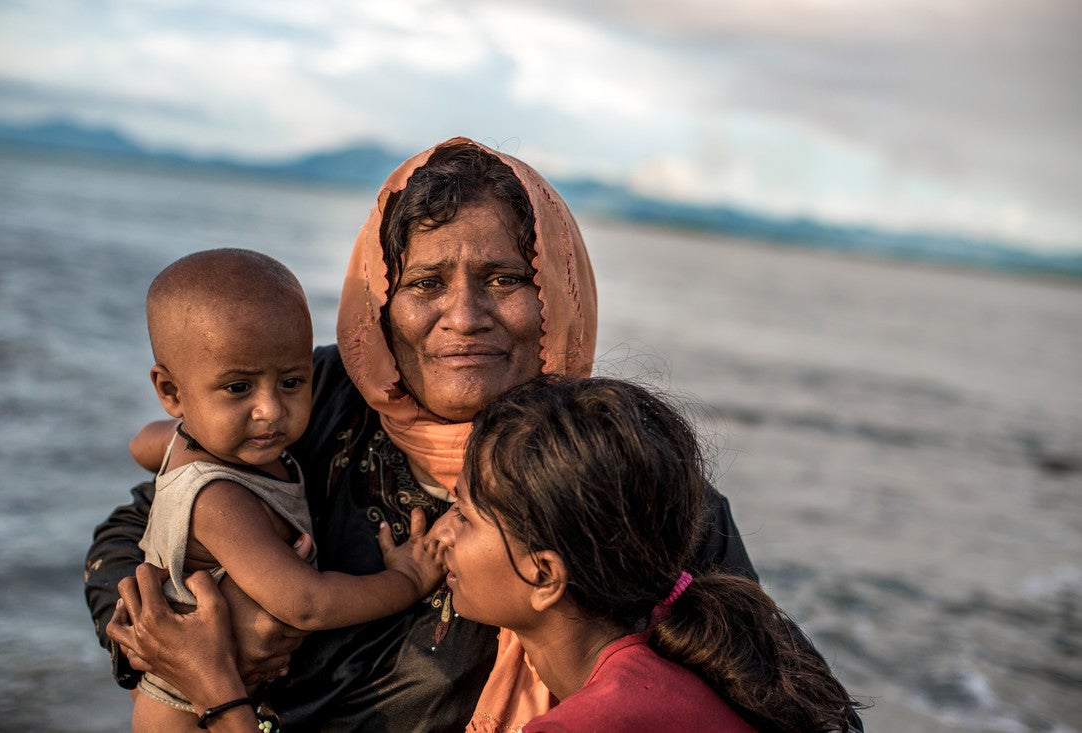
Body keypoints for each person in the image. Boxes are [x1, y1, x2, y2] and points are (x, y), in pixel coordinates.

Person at [87, 137, 861, 732]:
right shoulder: (312, 398)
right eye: (425, 284)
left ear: (555, 290)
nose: (464, 317)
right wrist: (175, 637)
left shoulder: (621, 473)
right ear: (382, 304)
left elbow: (775, 692)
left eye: (503, 278)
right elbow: (144, 523)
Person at [107, 375, 861, 732]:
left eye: (461, 516)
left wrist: (215, 686)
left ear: (543, 574)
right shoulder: (669, 661)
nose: (439, 535)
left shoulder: (589, 723)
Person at [128, 249, 444, 731]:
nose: (271, 410)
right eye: (238, 388)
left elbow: (141, 445)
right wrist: (407, 582)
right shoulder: (220, 500)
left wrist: (176, 436)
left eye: (292, 381)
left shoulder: (190, 436)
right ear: (172, 392)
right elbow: (306, 603)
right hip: (184, 709)